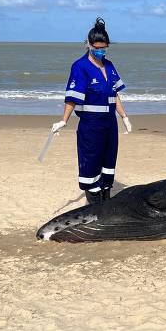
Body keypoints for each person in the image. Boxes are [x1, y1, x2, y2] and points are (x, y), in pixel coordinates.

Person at [50, 17, 132, 204]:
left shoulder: (109, 66)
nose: (101, 51)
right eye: (97, 48)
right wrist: (64, 120)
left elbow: (115, 94)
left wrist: (124, 116)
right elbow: (72, 97)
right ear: (88, 44)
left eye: (104, 48)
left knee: (108, 166)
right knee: (91, 166)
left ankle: (106, 205)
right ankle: (94, 209)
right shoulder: (80, 67)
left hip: (110, 124)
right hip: (91, 125)